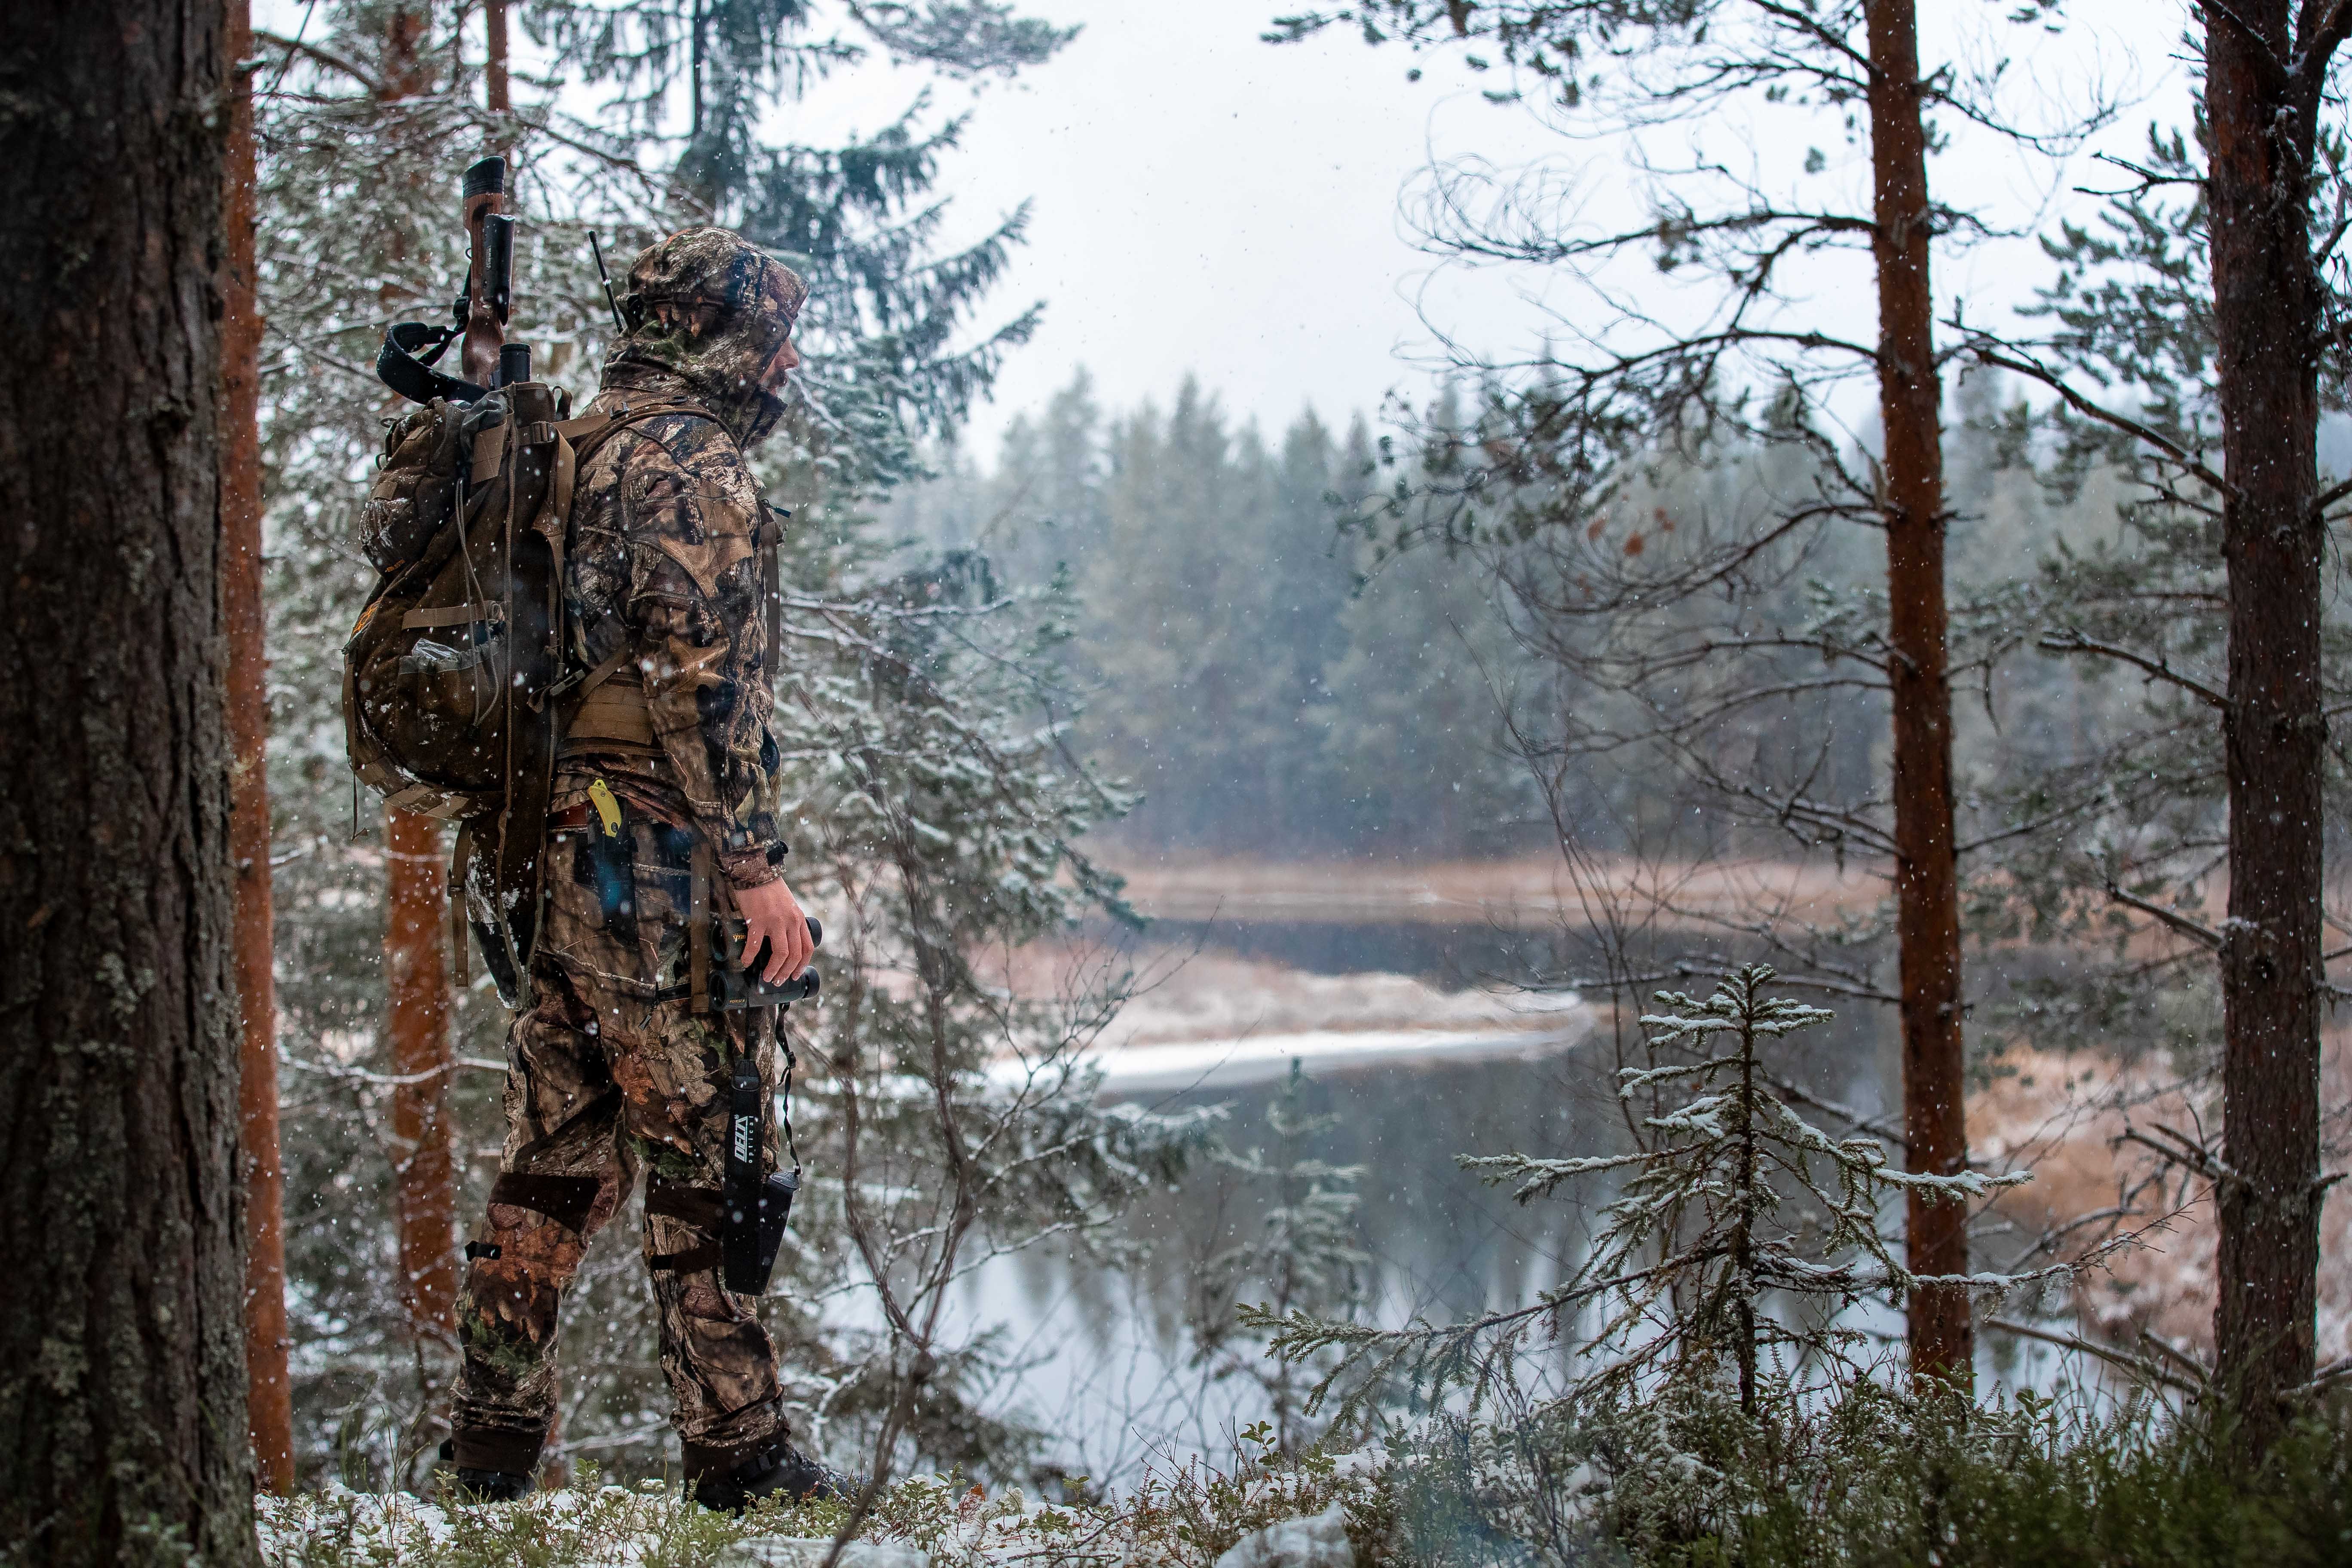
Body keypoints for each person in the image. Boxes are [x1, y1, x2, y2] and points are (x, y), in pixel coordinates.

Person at [440, 227, 848, 1513]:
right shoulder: (689, 458)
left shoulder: (574, 442)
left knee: (554, 1152)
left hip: (545, 846)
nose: (786, 365)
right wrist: (754, 866)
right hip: (650, 860)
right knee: (706, 1153)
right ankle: (740, 1453)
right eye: (775, 338)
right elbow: (697, 680)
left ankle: (491, 1441)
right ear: (724, 335)